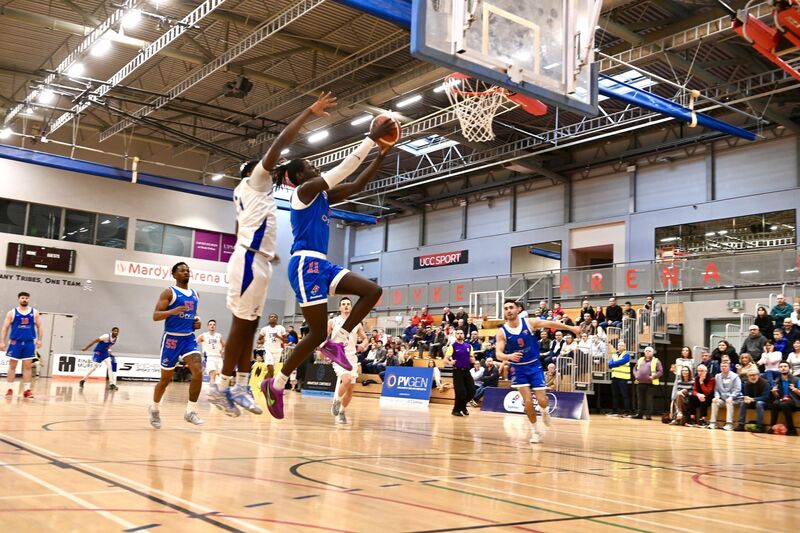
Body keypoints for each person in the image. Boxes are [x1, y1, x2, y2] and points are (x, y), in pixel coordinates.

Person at [261, 104, 396, 420]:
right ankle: (277, 384)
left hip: (322, 264)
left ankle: (339, 340)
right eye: (308, 166)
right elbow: (344, 170)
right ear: (297, 176)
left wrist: (380, 154)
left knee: (372, 291)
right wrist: (370, 138)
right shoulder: (304, 192)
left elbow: (357, 184)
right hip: (305, 264)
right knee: (315, 334)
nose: (313, 169)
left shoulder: (322, 195)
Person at [211, 95, 309, 417]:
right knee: (241, 326)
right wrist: (308, 111)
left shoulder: (246, 192)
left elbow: (240, 224)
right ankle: (221, 387)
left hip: (257, 258)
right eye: (266, 167)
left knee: (250, 327)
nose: (273, 170)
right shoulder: (255, 180)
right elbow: (280, 144)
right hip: (249, 261)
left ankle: (238, 385)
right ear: (253, 172)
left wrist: (265, 251)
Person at [495, 299, 580, 443]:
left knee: (542, 400)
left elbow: (551, 324)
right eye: (505, 308)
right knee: (527, 401)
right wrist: (508, 356)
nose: (508, 310)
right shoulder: (502, 332)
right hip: (519, 369)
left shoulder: (529, 323)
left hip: (534, 365)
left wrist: (571, 328)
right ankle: (535, 431)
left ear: (517, 310)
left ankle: (545, 411)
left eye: (511, 307)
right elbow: (498, 354)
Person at [148, 262, 204, 428]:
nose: (186, 272)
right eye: (182, 270)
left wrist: (197, 321)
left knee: (198, 372)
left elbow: (193, 315)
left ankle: (190, 411)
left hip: (188, 339)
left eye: (188, 270)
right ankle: (154, 409)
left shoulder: (195, 294)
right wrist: (172, 312)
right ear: (174, 274)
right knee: (165, 380)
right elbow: (156, 316)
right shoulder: (169, 292)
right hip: (171, 339)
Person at [328, 297, 367, 425]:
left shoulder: (357, 323)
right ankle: (337, 401)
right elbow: (323, 337)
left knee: (350, 390)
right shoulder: (333, 321)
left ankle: (342, 411)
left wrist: (363, 345)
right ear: (340, 308)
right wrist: (324, 350)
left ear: (351, 307)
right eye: (343, 304)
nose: (346, 306)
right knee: (346, 379)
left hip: (352, 357)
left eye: (348, 304)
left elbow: (365, 339)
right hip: (338, 355)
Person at [0, 292, 42, 398]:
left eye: (26, 298)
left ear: (29, 300)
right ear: (18, 299)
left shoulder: (35, 312)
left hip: (29, 343)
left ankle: (27, 390)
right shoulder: (12, 312)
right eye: (22, 298)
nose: (24, 299)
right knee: (12, 366)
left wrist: (39, 339)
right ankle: (10, 389)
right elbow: (5, 327)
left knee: (27, 367)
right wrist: (2, 341)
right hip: (15, 342)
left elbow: (40, 326)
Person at [445, 329, 476, 417]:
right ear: (456, 335)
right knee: (461, 392)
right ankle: (456, 410)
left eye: (461, 333)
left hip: (467, 370)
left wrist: (473, 360)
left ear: (464, 335)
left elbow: (471, 358)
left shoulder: (469, 346)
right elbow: (445, 359)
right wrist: (450, 362)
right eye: (458, 333)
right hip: (457, 371)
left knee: (472, 390)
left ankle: (462, 406)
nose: (459, 335)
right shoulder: (453, 346)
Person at [709, 360, 742, 431]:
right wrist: (717, 397)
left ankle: (729, 424)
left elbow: (738, 390)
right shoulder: (717, 376)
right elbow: (716, 389)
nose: (723, 368)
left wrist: (731, 397)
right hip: (723, 399)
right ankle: (713, 422)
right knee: (714, 401)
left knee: (729, 402)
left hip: (735, 399)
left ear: (729, 367)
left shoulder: (735, 376)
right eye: (722, 366)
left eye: (725, 366)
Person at [632, 347, 663, 420]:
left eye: (649, 351)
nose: (647, 352)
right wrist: (635, 375)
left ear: (652, 353)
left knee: (649, 399)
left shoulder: (656, 361)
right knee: (640, 399)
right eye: (646, 351)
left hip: (651, 384)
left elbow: (660, 371)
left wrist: (654, 376)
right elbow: (634, 369)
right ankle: (639, 414)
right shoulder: (640, 360)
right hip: (640, 383)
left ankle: (648, 415)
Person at [768, 361, 799, 435]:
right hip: (782, 401)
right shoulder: (777, 380)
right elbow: (777, 397)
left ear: (789, 368)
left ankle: (791, 429)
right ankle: (772, 427)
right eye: (781, 367)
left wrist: (796, 390)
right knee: (775, 404)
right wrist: (774, 393)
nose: (783, 368)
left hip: (794, 401)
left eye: (785, 366)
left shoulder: (796, 379)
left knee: (784, 404)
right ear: (779, 369)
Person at [735, 368, 769, 432]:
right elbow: (747, 395)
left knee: (759, 403)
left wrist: (753, 399)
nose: (752, 377)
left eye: (754, 375)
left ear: (758, 375)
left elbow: (765, 397)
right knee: (743, 403)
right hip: (753, 402)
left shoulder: (765, 383)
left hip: (765, 402)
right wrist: (746, 398)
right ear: (748, 377)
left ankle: (760, 426)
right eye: (750, 375)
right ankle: (741, 424)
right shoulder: (747, 384)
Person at [258, 313, 287, 381]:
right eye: (271, 317)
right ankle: (264, 385)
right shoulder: (264, 329)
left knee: (272, 371)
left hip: (277, 351)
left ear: (277, 319)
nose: (273, 318)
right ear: (269, 319)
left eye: (275, 317)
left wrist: (278, 336)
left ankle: (266, 385)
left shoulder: (281, 328)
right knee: (270, 368)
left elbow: (286, 341)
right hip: (267, 350)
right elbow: (259, 340)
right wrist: (261, 341)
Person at [607, 341, 632, 417]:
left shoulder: (627, 355)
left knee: (625, 395)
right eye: (619, 345)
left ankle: (627, 412)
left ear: (624, 347)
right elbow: (609, 364)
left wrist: (615, 364)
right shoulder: (614, 355)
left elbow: (622, 361)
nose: (620, 346)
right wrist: (615, 364)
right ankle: (615, 411)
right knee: (615, 395)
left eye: (621, 345)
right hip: (614, 377)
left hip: (623, 378)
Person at [197, 320, 224, 385]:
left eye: (214, 324)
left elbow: (224, 345)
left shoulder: (219, 335)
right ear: (208, 326)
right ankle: (212, 390)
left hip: (219, 358)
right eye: (210, 324)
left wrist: (223, 350)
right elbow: (194, 342)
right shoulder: (204, 335)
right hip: (209, 357)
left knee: (221, 377)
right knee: (213, 374)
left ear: (215, 326)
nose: (212, 326)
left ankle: (217, 390)